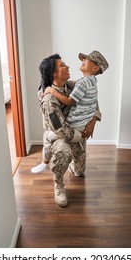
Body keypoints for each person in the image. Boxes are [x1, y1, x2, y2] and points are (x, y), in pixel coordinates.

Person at [31, 54, 102, 207]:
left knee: (78, 172)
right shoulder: (49, 99)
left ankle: (68, 163)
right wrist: (80, 135)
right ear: (53, 73)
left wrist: (93, 121)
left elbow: (92, 96)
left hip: (77, 130)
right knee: (64, 152)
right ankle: (58, 183)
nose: (68, 66)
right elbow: (61, 130)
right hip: (59, 135)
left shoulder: (72, 85)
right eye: (62, 65)